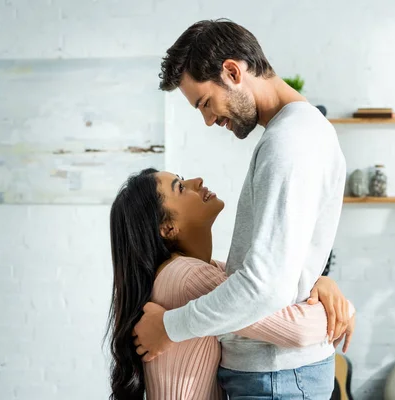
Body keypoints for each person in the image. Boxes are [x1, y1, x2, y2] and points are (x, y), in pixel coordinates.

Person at [133, 19, 349, 398]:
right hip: (278, 375)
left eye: (205, 103)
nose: (208, 119)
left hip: (276, 377)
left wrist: (169, 327)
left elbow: (264, 286)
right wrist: (316, 280)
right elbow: (280, 266)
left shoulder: (288, 143)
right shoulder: (296, 134)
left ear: (232, 72)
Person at [106, 169, 356, 399]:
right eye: (180, 188)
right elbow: (300, 330)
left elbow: (274, 287)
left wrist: (322, 282)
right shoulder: (187, 278)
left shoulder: (202, 270)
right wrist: (346, 310)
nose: (197, 181)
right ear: (168, 228)